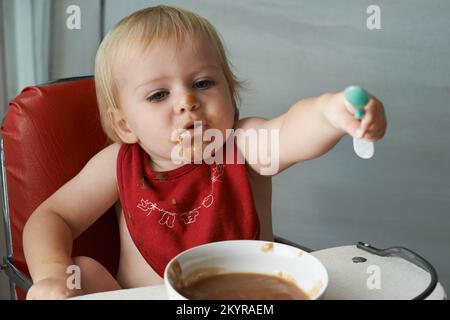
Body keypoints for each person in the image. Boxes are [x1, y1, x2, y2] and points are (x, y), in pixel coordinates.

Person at [23, 5, 387, 299]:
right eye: (158, 95)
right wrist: (52, 273)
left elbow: (291, 131)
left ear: (231, 93)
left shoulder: (243, 146)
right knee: (80, 271)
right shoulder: (117, 165)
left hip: (243, 301)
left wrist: (330, 112)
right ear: (125, 126)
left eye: (202, 83)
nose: (188, 101)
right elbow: (53, 216)